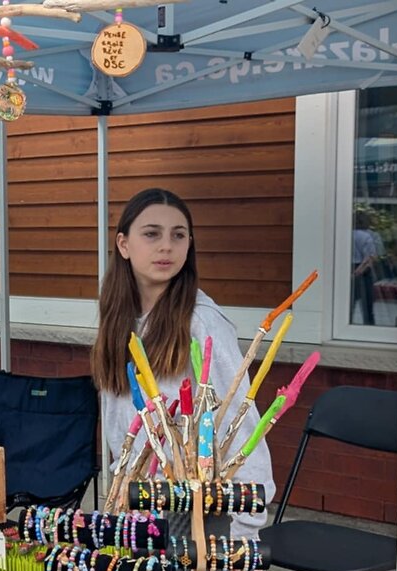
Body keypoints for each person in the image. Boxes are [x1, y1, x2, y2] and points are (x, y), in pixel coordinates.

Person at [91, 188, 273, 542]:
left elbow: (243, 431)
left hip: (197, 527)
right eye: (152, 234)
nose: (166, 246)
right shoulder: (118, 320)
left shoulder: (202, 323)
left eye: (178, 235)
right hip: (134, 518)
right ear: (124, 245)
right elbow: (120, 430)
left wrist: (236, 536)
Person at [351, 210, 381, 325]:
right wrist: (358, 272)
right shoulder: (367, 236)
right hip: (363, 271)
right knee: (367, 305)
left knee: (348, 305)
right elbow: (370, 258)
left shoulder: (346, 235)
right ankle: (368, 327)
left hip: (349, 267)